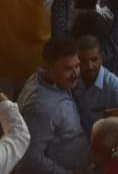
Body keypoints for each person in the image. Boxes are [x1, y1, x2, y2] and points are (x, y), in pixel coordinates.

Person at [16, 37, 89, 174]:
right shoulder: (40, 109)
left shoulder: (50, 79)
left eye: (77, 66)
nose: (75, 74)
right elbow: (31, 159)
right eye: (68, 69)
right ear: (48, 66)